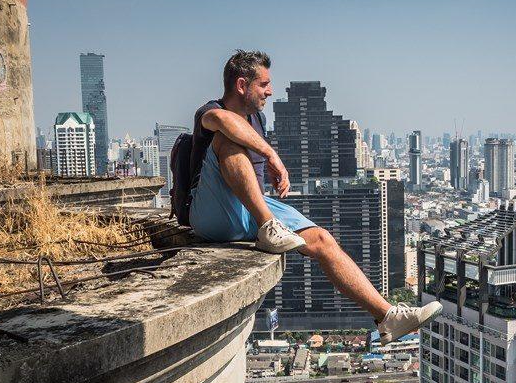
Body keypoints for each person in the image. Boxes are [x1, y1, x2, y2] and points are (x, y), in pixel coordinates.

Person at [188, 50, 441, 345]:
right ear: (242, 85)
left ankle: (387, 316)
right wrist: (270, 154)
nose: (270, 91)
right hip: (211, 213)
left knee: (322, 239)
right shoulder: (210, 111)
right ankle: (268, 227)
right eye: (264, 84)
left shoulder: (257, 118)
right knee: (225, 137)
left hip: (249, 209)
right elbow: (222, 121)